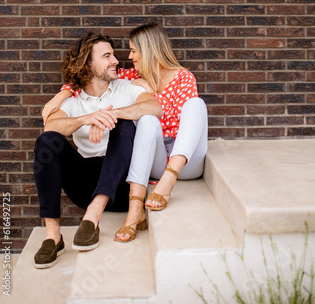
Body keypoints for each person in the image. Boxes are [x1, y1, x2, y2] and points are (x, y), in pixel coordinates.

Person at [43, 23, 208, 243]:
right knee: (147, 120)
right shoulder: (130, 76)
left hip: (187, 159)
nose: (128, 57)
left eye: (133, 50)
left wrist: (111, 114)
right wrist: (62, 96)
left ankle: (169, 179)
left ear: (149, 50)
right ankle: (135, 208)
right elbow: (90, 76)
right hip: (156, 160)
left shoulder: (183, 78)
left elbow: (182, 119)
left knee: (196, 104)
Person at [33, 32, 162, 268]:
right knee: (47, 141)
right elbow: (50, 126)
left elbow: (154, 107)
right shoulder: (73, 101)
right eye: (107, 56)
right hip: (86, 184)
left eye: (113, 55)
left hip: (123, 185)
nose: (116, 61)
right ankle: (53, 236)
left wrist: (111, 115)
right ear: (89, 64)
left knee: (124, 124)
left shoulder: (126, 88)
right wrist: (87, 118)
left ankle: (93, 216)